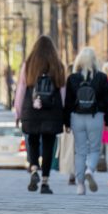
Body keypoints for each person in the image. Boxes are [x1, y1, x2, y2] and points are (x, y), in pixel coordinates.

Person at [15, 36, 65, 195]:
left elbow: (21, 89)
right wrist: (63, 112)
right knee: (49, 145)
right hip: (52, 110)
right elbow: (63, 90)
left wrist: (18, 111)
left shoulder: (29, 65)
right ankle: (45, 182)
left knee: (32, 139)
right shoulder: (58, 66)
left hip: (32, 108)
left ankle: (34, 168)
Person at [64, 47, 108, 195]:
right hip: (95, 117)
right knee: (94, 149)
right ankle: (90, 169)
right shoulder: (101, 78)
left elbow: (68, 102)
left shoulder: (72, 78)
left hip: (77, 117)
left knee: (80, 151)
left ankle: (80, 186)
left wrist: (66, 122)